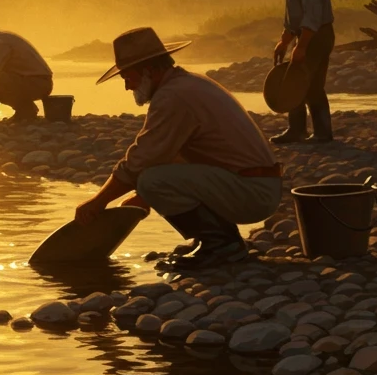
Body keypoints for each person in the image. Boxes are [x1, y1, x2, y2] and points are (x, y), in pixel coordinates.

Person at [74, 26, 282, 271]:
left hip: (253, 193)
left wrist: (98, 201)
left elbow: (141, 159)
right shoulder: (186, 83)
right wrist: (142, 198)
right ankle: (213, 239)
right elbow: (172, 156)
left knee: (151, 180)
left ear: (149, 70)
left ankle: (222, 244)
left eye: (127, 77)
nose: (127, 87)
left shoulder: (173, 97)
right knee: (149, 183)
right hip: (252, 185)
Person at [260, 0, 335, 144]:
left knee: (307, 83)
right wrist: (284, 42)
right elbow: (293, 19)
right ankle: (301, 130)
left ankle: (318, 133)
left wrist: (301, 46)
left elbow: (312, 15)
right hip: (310, 34)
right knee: (302, 81)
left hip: (317, 35)